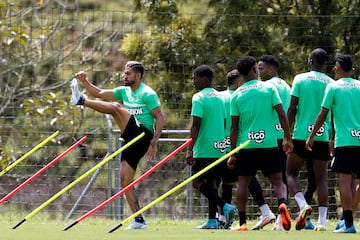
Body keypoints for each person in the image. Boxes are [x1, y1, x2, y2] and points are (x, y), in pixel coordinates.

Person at [70, 61, 165, 229]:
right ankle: (139, 220)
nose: (124, 76)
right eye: (124, 73)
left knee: (115, 107)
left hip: (143, 135)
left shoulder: (148, 94)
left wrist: (154, 142)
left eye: (128, 74)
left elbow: (160, 117)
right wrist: (85, 81)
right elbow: (98, 93)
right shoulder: (124, 91)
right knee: (125, 180)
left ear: (138, 75)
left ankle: (81, 100)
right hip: (130, 137)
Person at [228, 56, 293, 231]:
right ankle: (283, 204)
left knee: (242, 183)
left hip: (246, 146)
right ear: (254, 70)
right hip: (269, 143)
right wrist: (287, 138)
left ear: (240, 74)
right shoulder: (269, 88)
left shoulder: (236, 96)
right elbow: (282, 114)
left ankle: (242, 223)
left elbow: (234, 128)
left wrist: (232, 153)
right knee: (278, 181)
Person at [305, 54, 358, 233]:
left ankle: (349, 224)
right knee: (352, 179)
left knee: (343, 180)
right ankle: (345, 220)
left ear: (337, 67)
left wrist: (311, 136)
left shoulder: (333, 87)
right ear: (352, 69)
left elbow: (323, 115)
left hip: (346, 141)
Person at [220, 70, 276, 230]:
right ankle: (264, 212)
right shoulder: (240, 95)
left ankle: (222, 218)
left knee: (230, 182)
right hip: (238, 144)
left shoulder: (222, 96)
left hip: (222, 144)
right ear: (238, 82)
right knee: (245, 180)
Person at [286, 48, 334, 231]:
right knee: (321, 179)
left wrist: (286, 135)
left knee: (290, 173)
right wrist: (332, 138)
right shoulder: (331, 83)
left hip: (300, 135)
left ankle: (302, 205)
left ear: (310, 60)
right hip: (322, 135)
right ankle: (322, 222)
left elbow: (292, 109)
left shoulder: (299, 79)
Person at [185, 64, 237, 230]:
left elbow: (196, 124)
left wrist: (189, 148)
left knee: (196, 182)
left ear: (204, 79)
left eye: (195, 77)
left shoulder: (198, 98)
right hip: (220, 146)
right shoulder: (222, 97)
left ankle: (225, 206)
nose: (193, 81)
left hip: (204, 147)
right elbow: (225, 122)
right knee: (212, 183)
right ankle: (212, 220)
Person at [257, 54, 291, 231]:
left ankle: (273, 215)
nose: (258, 72)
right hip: (282, 136)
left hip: (268, 138)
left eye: (261, 68)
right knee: (282, 177)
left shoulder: (265, 87)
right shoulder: (286, 85)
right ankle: (280, 216)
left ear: (271, 68)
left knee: (248, 174)